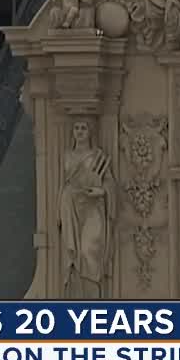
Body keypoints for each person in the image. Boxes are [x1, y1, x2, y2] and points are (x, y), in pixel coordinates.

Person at [59, 120, 115, 298]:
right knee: (74, 257)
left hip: (93, 208)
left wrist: (101, 191)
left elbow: (109, 182)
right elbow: (62, 185)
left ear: (90, 132)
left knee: (88, 251)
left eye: (83, 128)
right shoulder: (67, 156)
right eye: (76, 127)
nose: (80, 131)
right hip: (72, 208)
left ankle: (94, 298)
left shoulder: (97, 156)